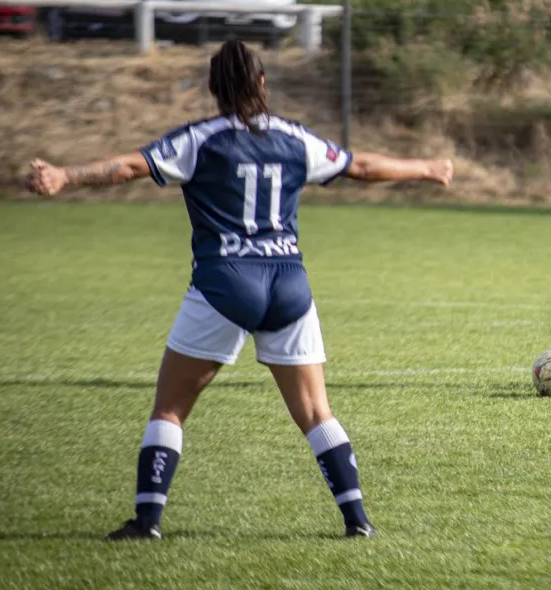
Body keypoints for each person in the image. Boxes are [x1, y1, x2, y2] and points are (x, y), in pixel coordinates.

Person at [26, 39, 454, 540]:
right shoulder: (296, 139)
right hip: (288, 284)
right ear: (263, 84)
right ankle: (357, 520)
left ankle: (147, 521)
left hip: (225, 283)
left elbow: (128, 168)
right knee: (317, 413)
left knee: (170, 408)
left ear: (213, 89)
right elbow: (360, 167)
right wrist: (426, 168)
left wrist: (64, 176)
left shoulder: (200, 139)